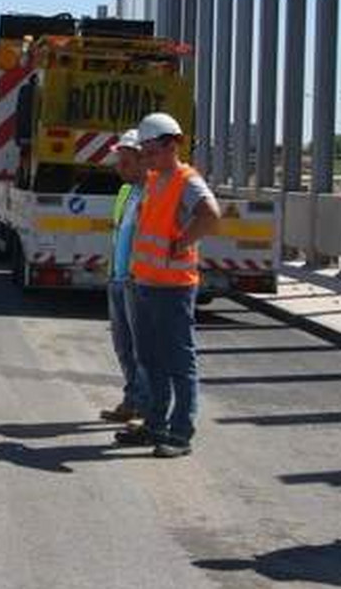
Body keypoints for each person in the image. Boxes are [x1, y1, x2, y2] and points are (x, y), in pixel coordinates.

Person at [115, 113, 221, 459]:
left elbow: (211, 215)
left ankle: (180, 433)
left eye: (150, 151)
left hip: (173, 287)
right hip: (146, 283)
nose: (146, 158)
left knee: (178, 361)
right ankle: (155, 424)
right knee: (149, 359)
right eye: (143, 152)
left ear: (171, 145)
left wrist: (183, 243)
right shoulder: (156, 180)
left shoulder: (185, 180)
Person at [100, 129, 149, 423]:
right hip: (118, 280)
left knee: (142, 348)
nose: (119, 168)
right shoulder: (126, 192)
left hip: (137, 281)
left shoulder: (154, 193)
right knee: (123, 346)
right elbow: (120, 234)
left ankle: (145, 405)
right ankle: (132, 399)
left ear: (144, 161)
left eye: (126, 162)